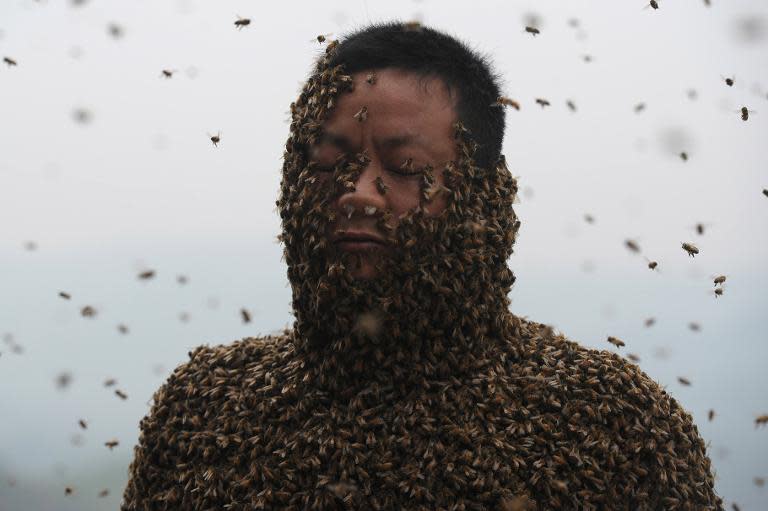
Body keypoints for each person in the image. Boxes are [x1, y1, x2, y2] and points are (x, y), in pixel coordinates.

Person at [121, 22, 722, 510]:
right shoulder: (201, 408)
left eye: (405, 168)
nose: (359, 192)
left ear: (486, 196)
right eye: (331, 161)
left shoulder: (614, 426)